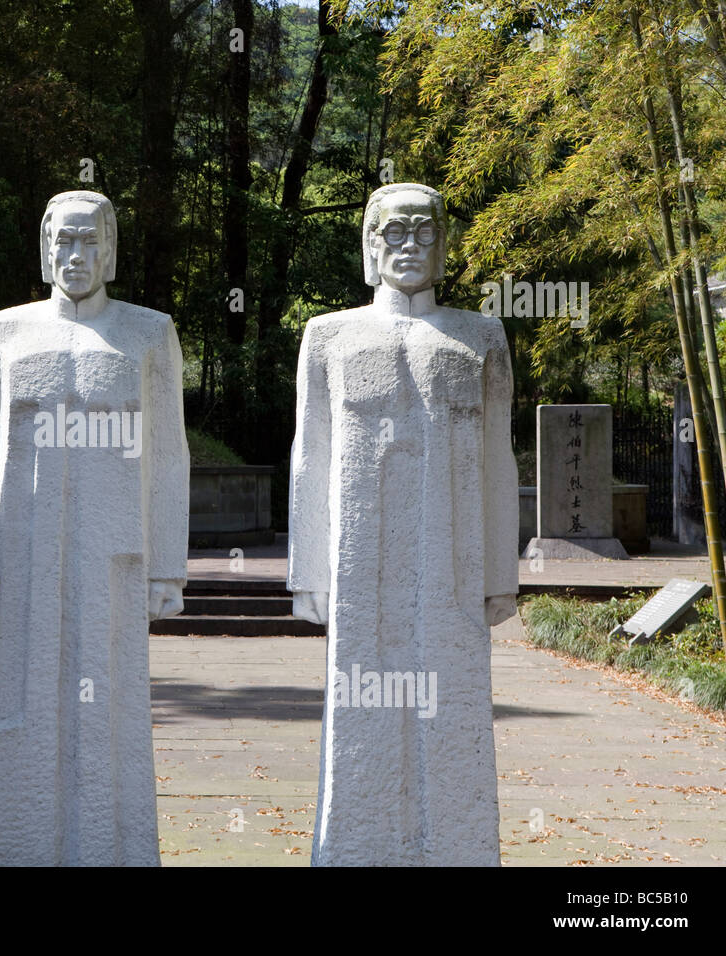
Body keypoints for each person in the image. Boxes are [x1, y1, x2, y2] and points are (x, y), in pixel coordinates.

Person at [0, 190, 188, 865]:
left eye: (90, 241)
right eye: (64, 241)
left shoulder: (147, 333)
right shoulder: (4, 332)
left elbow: (170, 455)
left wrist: (167, 565)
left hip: (114, 553)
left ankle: (110, 843)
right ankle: (20, 842)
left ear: (110, 249)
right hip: (27, 548)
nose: (76, 255)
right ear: (44, 247)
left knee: (108, 698)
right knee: (26, 698)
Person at [289, 183, 518, 866]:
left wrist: (500, 575)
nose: (410, 244)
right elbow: (311, 452)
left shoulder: (480, 336)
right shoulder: (329, 335)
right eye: (395, 231)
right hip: (362, 566)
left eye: (424, 231)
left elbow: (500, 457)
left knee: (450, 706)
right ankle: (357, 848)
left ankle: (455, 846)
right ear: (370, 243)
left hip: (451, 561)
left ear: (444, 244)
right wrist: (308, 571)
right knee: (363, 708)